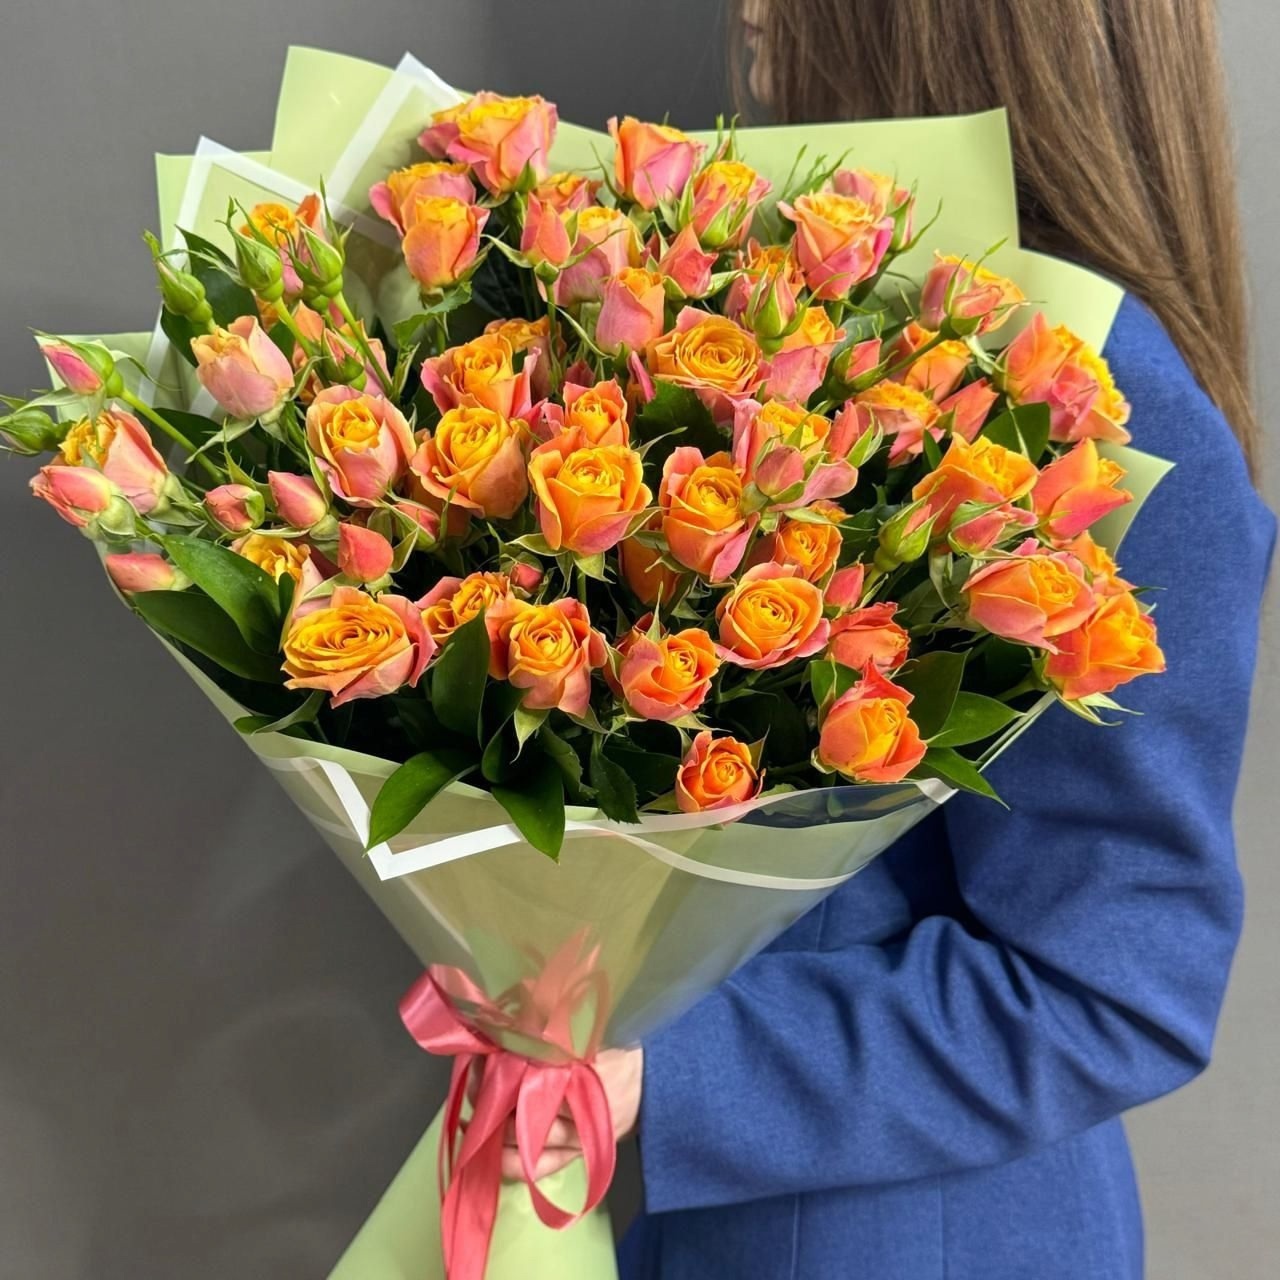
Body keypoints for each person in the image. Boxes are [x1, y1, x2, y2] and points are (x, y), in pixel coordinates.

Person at [515, 3, 1277, 1276]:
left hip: (917, 1233)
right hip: (739, 1214)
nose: (749, 10)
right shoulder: (802, 320)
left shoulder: (1110, 405)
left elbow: (1113, 985)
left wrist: (671, 1068)